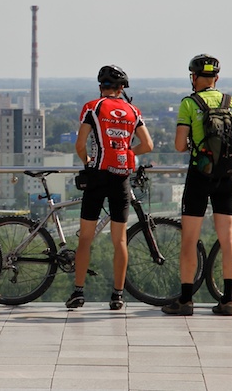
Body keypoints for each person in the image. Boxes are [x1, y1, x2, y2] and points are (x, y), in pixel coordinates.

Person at [163, 54, 232, 317]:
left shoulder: (189, 104)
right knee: (227, 238)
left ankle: (186, 300)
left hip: (200, 175)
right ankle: (228, 300)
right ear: (217, 78)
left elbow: (180, 145)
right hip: (227, 177)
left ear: (193, 78)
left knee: (190, 239)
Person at [67, 65, 154, 311]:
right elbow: (148, 144)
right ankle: (117, 295)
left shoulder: (92, 107)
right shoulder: (133, 110)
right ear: (122, 89)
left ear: (100, 87)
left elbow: (80, 144)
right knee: (120, 241)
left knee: (85, 238)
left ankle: (78, 292)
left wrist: (87, 162)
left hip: (96, 175)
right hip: (120, 177)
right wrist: (127, 152)